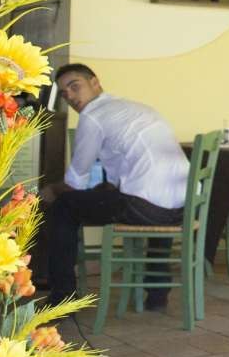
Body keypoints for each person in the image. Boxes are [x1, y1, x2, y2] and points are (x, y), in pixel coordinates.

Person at [42, 64, 190, 310]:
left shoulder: (92, 116)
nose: (71, 97)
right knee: (145, 194)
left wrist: (49, 191)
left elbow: (74, 182)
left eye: (74, 86)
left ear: (95, 82)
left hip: (148, 208)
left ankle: (62, 299)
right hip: (180, 208)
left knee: (63, 206)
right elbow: (116, 179)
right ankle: (157, 294)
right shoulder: (137, 108)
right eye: (65, 94)